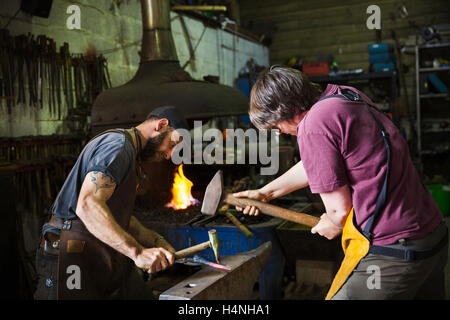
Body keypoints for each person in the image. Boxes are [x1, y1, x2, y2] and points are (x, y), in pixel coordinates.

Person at [234, 66, 448, 300]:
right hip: (433, 237)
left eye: (277, 126)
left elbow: (339, 212)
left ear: (291, 109)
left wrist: (333, 223)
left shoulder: (313, 124)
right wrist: (265, 193)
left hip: (395, 252)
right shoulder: (344, 95)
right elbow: (318, 162)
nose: (281, 133)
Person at [34, 106, 188, 300]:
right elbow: (88, 205)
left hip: (95, 254)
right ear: (161, 125)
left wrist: (154, 239)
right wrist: (137, 252)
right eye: (172, 145)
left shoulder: (130, 153)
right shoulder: (118, 146)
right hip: (68, 255)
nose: (168, 155)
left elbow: (114, 215)